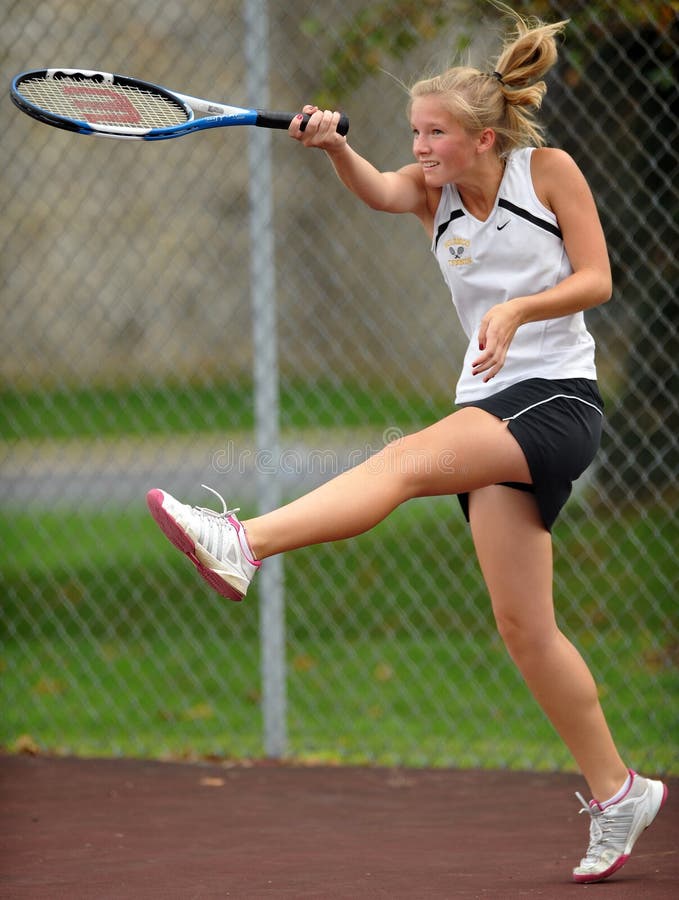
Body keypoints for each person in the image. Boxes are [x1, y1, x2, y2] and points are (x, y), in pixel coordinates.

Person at [146, 6, 667, 884]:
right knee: (524, 628)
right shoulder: (428, 192)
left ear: (482, 137)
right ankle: (618, 792)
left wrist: (514, 308)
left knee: (401, 460)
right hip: (489, 402)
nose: (418, 147)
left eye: (434, 134)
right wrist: (335, 149)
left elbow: (596, 278)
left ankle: (245, 542)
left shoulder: (549, 171)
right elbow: (380, 190)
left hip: (555, 400)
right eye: (413, 132)